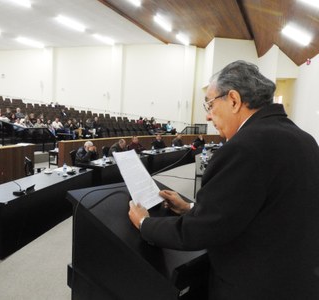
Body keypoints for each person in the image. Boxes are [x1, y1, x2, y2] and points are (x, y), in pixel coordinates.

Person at [128, 60, 319, 299]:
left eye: (209, 104)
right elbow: (262, 209)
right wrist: (191, 208)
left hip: (256, 287)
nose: (208, 117)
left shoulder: (245, 146)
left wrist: (145, 224)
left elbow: (201, 232)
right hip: (298, 281)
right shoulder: (304, 139)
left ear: (233, 100)